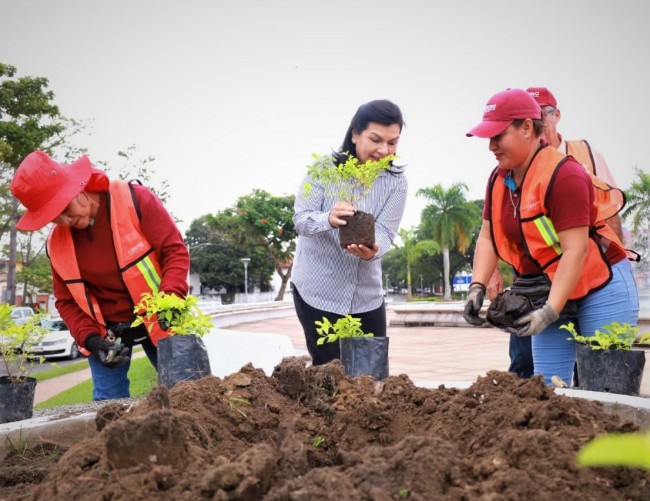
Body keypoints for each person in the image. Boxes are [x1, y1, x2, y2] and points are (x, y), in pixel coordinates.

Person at [463, 88, 638, 386]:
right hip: (551, 286)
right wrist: (476, 286)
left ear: (527, 128)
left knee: (606, 388)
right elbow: (488, 238)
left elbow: (575, 251)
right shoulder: (498, 179)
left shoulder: (563, 174)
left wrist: (550, 311)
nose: (491, 146)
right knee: (548, 389)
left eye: (498, 136)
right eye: (488, 138)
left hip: (601, 286)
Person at [10, 151, 189, 400]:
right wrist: (91, 339)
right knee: (107, 406)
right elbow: (66, 302)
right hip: (108, 333)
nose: (66, 220)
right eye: (55, 217)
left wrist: (171, 299)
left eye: (65, 208)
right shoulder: (56, 244)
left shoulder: (134, 200)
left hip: (160, 318)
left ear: (77, 188)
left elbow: (174, 252)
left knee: (188, 391)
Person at [291, 99, 407, 365]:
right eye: (375, 139)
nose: (384, 150)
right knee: (330, 374)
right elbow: (301, 220)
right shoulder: (323, 171)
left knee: (371, 376)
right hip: (318, 294)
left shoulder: (396, 182)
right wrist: (328, 219)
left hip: (367, 297)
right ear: (355, 134)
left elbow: (386, 232)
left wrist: (373, 253)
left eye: (393, 142)